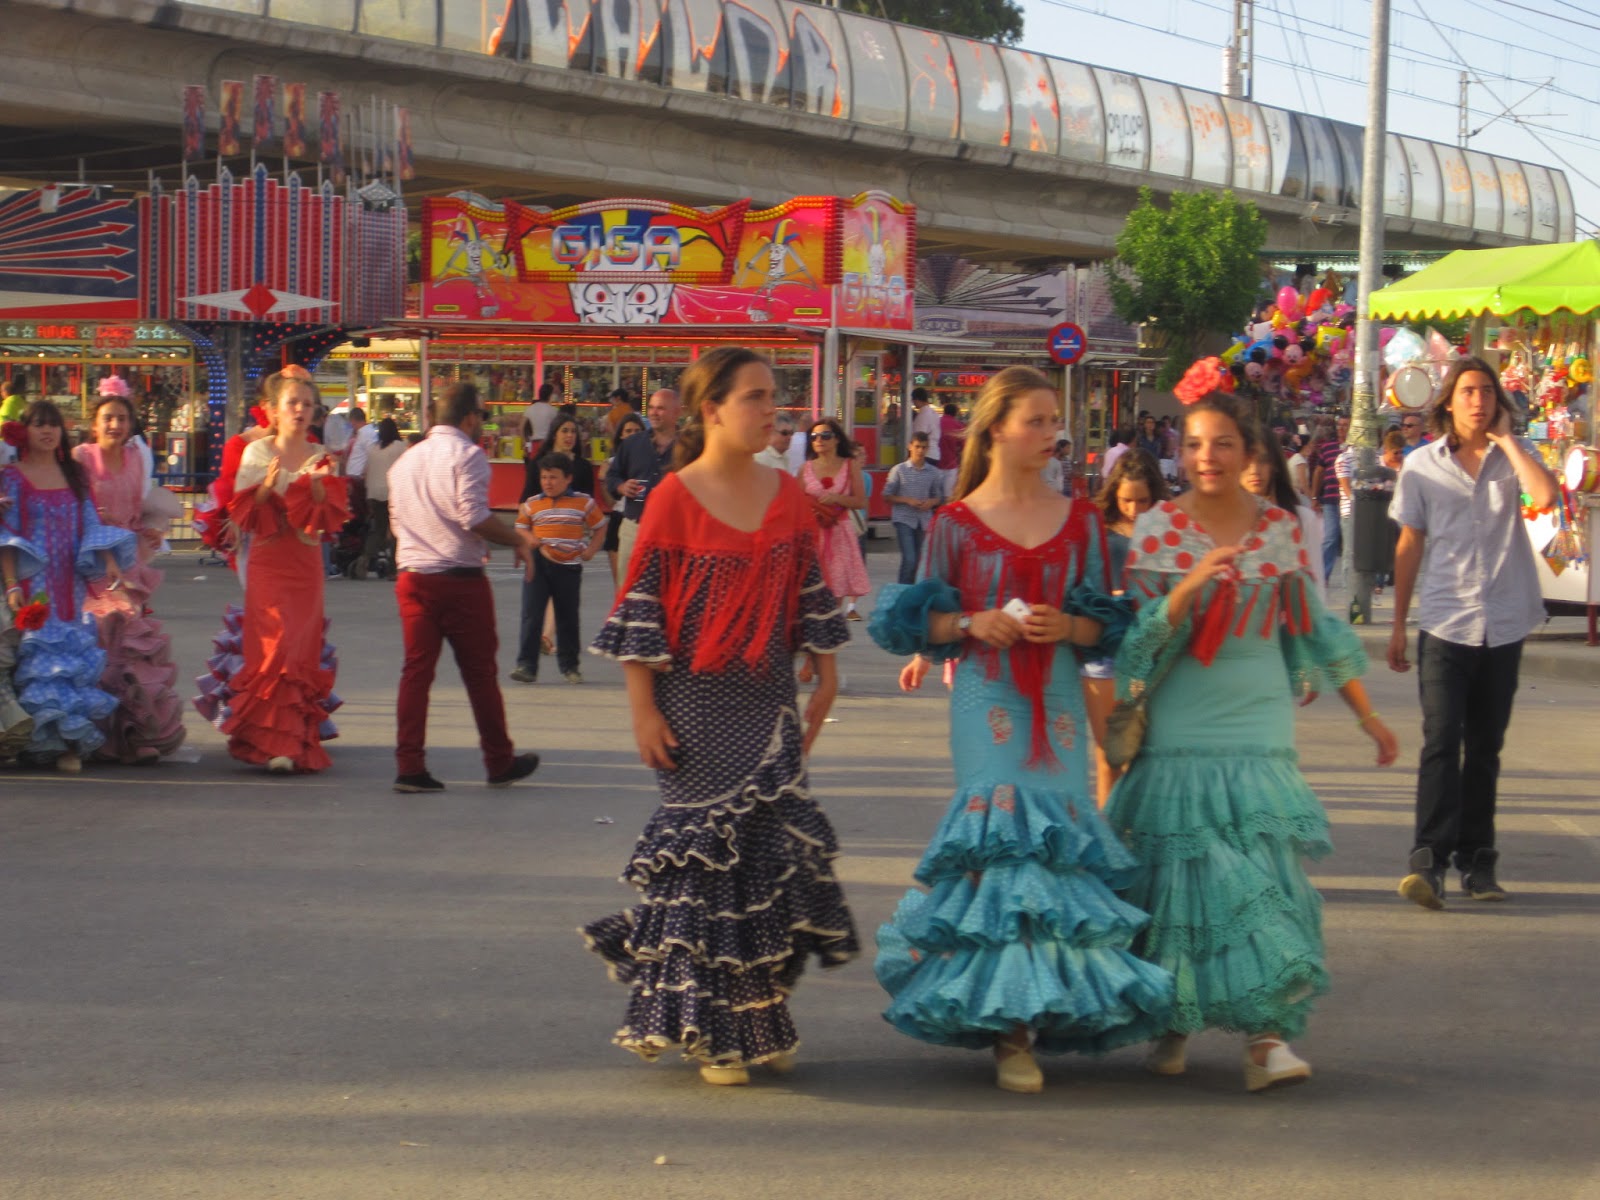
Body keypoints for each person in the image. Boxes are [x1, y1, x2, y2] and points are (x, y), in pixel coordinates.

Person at [869, 365, 1171, 1094]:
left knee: (1054, 847)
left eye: (1053, 421)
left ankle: (1036, 1008)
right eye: (1035, 420)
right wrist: (972, 622)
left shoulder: (1082, 520)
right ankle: (1009, 1029)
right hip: (985, 697)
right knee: (1004, 839)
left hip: (1060, 700)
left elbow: (1109, 625)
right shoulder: (954, 523)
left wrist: (1067, 626)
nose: (1050, 433)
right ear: (996, 428)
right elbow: (918, 621)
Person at [1107, 390, 1398, 1092]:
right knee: (1182, 878)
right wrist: (1187, 590)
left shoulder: (1279, 528)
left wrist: (1366, 715)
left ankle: (1266, 1039)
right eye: (1194, 444)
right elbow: (1137, 644)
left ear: (1249, 452)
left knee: (1262, 876)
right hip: (1182, 723)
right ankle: (1174, 1020)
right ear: (1180, 452)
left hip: (1259, 722)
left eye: (1223, 443)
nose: (1207, 457)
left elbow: (1312, 628)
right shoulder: (1157, 528)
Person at [582, 346, 856, 1085]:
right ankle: (711, 1033)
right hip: (694, 708)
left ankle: (762, 1016)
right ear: (712, 410)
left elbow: (808, 589)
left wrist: (827, 674)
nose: (773, 409)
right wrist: (642, 711)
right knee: (707, 870)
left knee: (767, 864)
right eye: (756, 397)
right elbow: (641, 607)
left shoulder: (788, 494)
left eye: (775, 395)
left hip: (770, 702)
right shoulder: (673, 496)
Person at [1388, 356, 1556, 909]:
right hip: (1445, 623)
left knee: (1485, 748)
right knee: (1441, 741)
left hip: (1503, 623)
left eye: (1487, 391)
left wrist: (1508, 441)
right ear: (1448, 402)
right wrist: (1397, 625)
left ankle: (1478, 861)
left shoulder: (1515, 458)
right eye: (1467, 392)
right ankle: (1428, 861)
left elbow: (1545, 498)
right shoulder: (1421, 466)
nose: (1478, 401)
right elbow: (1409, 543)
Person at [387, 382, 540, 794]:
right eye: (482, 416)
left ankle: (409, 765)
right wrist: (518, 538)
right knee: (479, 674)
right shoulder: (468, 455)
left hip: (413, 575)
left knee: (416, 672)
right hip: (459, 580)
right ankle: (498, 759)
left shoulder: (405, 461)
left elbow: (396, 524)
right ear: (470, 418)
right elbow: (473, 516)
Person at [213, 373, 350, 774]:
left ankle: (290, 742)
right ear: (273, 410)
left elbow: (327, 517)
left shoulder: (322, 456)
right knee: (275, 647)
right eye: (292, 402)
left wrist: (319, 489)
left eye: (307, 404)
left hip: (305, 563)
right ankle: (270, 741)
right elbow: (245, 512)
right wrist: (265, 488)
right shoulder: (256, 452)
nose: (300, 410)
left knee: (299, 650)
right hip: (269, 561)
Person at [1, 400, 135, 771]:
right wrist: (11, 584)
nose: (47, 431)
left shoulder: (75, 473)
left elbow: (90, 522)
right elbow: (6, 534)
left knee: (67, 661)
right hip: (32, 580)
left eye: (53, 425)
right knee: (35, 659)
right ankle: (30, 740)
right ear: (24, 431)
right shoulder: (12, 477)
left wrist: (109, 561)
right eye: (39, 424)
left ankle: (67, 745)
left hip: (70, 582)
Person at [73, 388, 186, 763]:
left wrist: (150, 530)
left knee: (133, 645)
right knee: (101, 642)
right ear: (94, 424)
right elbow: (76, 509)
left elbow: (139, 510)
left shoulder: (136, 457)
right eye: (108, 418)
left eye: (122, 418)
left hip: (129, 560)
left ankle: (136, 733)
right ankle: (97, 735)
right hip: (91, 559)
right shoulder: (81, 458)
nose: (115, 425)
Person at [1081, 449, 1167, 807]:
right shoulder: (1097, 530)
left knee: (1142, 756)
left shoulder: (1168, 531)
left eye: (1143, 501)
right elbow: (1082, 589)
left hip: (1151, 651)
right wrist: (1108, 599)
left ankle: (1135, 829)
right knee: (1108, 755)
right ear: (1114, 494)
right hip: (1103, 652)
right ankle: (1107, 831)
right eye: (1127, 501)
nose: (1134, 510)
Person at [511, 451, 605, 685]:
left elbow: (600, 527)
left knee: (567, 617)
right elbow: (520, 527)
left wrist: (591, 550)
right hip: (538, 564)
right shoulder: (532, 503)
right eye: (544, 477)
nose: (548, 482)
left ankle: (570, 667)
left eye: (553, 477)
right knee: (531, 614)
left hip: (569, 567)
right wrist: (529, 538)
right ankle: (526, 666)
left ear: (568, 478)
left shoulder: (584, 502)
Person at [801, 417, 870, 621]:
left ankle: (832, 624)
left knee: (836, 589)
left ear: (837, 439)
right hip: (814, 534)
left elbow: (860, 501)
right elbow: (796, 501)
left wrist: (837, 498)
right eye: (814, 436)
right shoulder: (805, 468)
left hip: (840, 532)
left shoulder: (849, 466)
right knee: (812, 587)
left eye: (825, 435)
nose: (819, 440)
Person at [1243, 429, 1325, 596]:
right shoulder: (1225, 523)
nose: (1254, 469)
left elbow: (1316, 587)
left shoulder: (1302, 519)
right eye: (1247, 461)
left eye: (1263, 461)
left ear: (1275, 465)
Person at [607, 388, 680, 574]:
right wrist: (622, 487)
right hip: (635, 527)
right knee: (628, 585)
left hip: (674, 532)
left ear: (677, 412)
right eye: (651, 407)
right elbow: (612, 476)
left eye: (661, 408)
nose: (654, 413)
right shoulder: (632, 444)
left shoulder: (689, 446)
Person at [882, 430, 944, 586]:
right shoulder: (899, 470)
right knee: (909, 559)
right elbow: (887, 495)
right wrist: (907, 500)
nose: (920, 451)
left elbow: (938, 496)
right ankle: (902, 590)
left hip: (924, 520)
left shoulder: (933, 472)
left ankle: (914, 591)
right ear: (910, 446)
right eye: (917, 447)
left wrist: (931, 502)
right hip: (904, 518)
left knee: (920, 561)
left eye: (924, 447)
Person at [357, 417, 407, 576]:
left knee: (378, 530)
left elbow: (366, 471)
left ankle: (365, 556)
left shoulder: (373, 448)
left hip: (373, 493)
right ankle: (393, 569)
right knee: (395, 531)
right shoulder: (400, 447)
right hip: (392, 493)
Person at [602, 412, 645, 588]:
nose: (632, 434)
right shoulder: (613, 463)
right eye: (628, 431)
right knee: (621, 584)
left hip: (642, 520)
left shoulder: (649, 461)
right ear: (621, 435)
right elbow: (610, 502)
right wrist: (607, 482)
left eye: (637, 430)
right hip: (619, 517)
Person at [1310, 416, 1348, 585]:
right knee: (1331, 537)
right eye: (1339, 425)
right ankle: (1322, 575)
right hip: (1331, 499)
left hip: (1349, 501)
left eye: (1345, 425)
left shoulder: (1356, 448)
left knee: (1350, 539)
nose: (1341, 428)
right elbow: (1318, 472)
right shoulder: (1328, 447)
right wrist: (1314, 496)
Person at [519, 383, 560, 501]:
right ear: (550, 395)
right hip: (549, 445)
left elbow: (521, 427)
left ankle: (533, 499)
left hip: (534, 444)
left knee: (534, 472)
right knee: (548, 472)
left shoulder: (531, 409)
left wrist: (524, 442)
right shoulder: (553, 411)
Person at [539, 414, 595, 495]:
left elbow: (588, 498)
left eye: (573, 431)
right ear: (554, 435)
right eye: (564, 431)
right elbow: (527, 498)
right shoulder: (539, 463)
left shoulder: (584, 466)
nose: (570, 435)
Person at [936, 401, 965, 494]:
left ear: (944, 411)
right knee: (948, 495)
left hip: (935, 463)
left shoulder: (936, 422)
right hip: (951, 465)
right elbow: (964, 447)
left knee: (935, 494)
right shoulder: (958, 426)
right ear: (955, 413)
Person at [909, 387, 941, 463]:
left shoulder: (922, 415)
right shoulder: (934, 414)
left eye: (913, 400)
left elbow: (919, 437)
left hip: (926, 455)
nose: (913, 402)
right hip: (935, 454)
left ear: (917, 399)